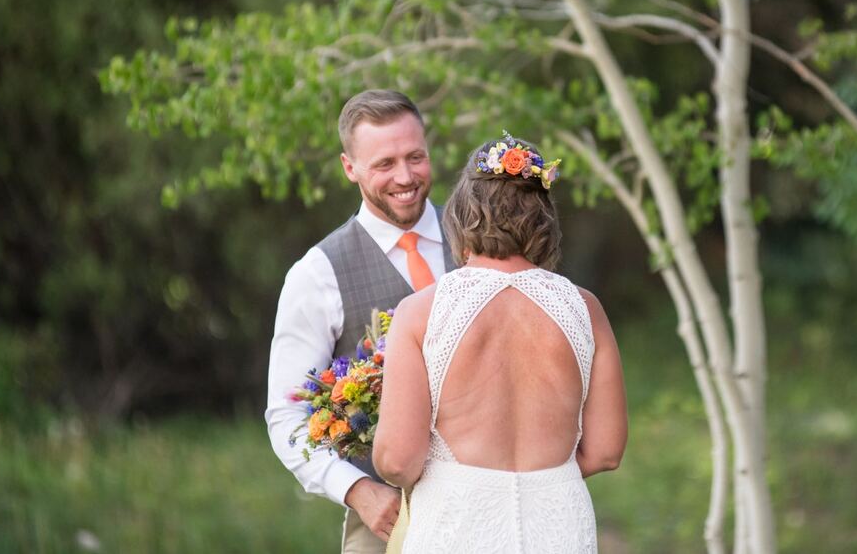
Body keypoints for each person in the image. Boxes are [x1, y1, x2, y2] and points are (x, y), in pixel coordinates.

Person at [373, 134, 628, 553]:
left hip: (457, 525)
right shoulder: (586, 309)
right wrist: (543, 480)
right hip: (557, 524)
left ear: (462, 216)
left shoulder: (420, 312)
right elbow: (605, 451)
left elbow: (399, 461)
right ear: (543, 218)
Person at [265, 90, 457, 554]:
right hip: (387, 525)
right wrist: (356, 490)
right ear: (349, 168)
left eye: (416, 157)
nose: (406, 177)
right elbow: (287, 415)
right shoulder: (317, 274)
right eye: (385, 164)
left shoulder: (478, 238)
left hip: (488, 507)